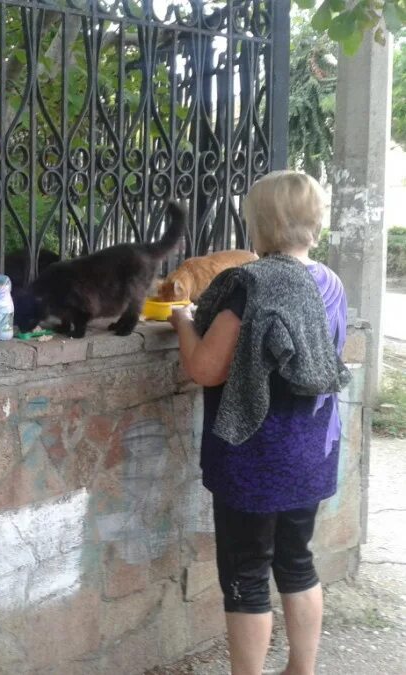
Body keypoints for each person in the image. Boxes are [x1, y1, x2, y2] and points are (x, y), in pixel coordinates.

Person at [168, 170, 351, 675]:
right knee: (297, 561)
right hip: (313, 445)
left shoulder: (254, 284)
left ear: (259, 221)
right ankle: (301, 669)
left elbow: (206, 367)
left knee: (247, 573)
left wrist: (182, 321)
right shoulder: (329, 281)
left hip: (255, 453)